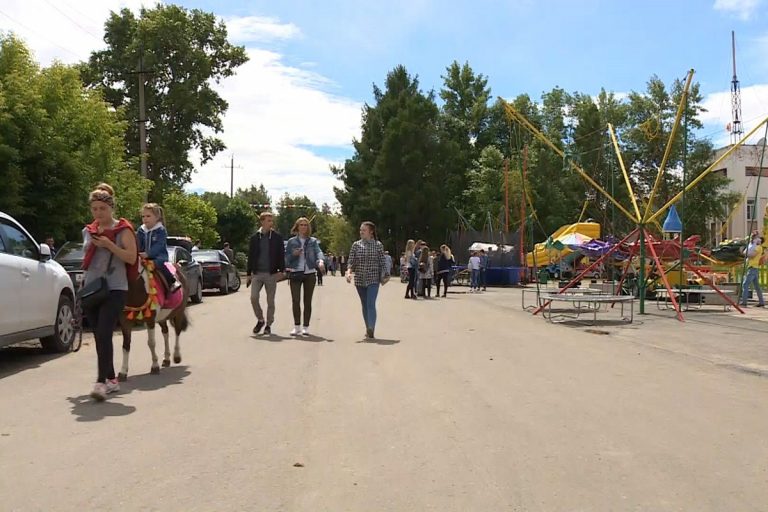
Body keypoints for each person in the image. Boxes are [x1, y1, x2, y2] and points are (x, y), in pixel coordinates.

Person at [81, 183, 138, 401]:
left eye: (102, 209)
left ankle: (100, 382)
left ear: (111, 208)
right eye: (94, 209)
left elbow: (131, 258)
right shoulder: (88, 230)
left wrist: (109, 244)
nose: (98, 213)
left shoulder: (123, 230)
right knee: (99, 336)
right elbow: (87, 259)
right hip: (92, 288)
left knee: (104, 332)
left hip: (115, 288)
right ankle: (112, 379)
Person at [346, 221, 388, 339]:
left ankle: (371, 327)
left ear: (371, 232)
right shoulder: (356, 245)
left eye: (364, 230)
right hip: (359, 279)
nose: (361, 232)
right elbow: (351, 261)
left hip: (373, 278)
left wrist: (386, 274)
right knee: (364, 304)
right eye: (360, 230)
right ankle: (368, 328)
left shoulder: (378, 245)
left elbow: (382, 261)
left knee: (371, 303)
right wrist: (349, 272)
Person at [246, 212, 286, 335]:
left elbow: (281, 255)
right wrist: (248, 273)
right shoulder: (254, 238)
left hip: (271, 274)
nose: (271, 223)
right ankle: (260, 319)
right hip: (257, 273)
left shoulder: (277, 237)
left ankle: (268, 324)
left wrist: (282, 271)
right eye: (268, 220)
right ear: (262, 222)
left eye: (271, 220)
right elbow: (251, 256)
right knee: (253, 298)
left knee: (270, 301)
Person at [285, 218, 325, 336]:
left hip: (309, 273)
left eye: (305, 225)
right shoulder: (292, 242)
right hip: (295, 273)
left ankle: (305, 326)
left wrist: (321, 261)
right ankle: (297, 326)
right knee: (295, 300)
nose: (303, 227)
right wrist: (294, 254)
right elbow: (286, 258)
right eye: (301, 225)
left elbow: (319, 252)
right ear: (297, 227)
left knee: (307, 301)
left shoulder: (312, 241)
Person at [137, 203, 179, 292]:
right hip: (143, 256)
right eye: (143, 216)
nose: (145, 219)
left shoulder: (161, 230)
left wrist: (148, 254)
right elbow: (138, 242)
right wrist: (137, 252)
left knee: (160, 264)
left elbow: (159, 245)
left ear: (157, 217)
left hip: (159, 256)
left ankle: (171, 281)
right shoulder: (141, 230)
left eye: (148, 216)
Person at [740, 231, 765, 307]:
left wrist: (743, 252)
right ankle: (761, 302)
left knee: (745, 284)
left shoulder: (758, 247)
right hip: (752, 267)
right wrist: (744, 252)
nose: (752, 239)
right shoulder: (753, 246)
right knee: (757, 286)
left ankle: (744, 302)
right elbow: (748, 254)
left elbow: (751, 255)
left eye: (753, 237)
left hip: (753, 268)